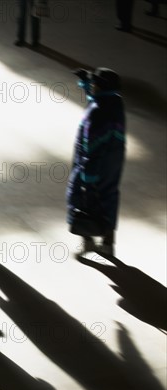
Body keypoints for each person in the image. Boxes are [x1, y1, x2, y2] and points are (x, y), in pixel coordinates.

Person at [67, 68, 126, 257]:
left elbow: (93, 146)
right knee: (109, 198)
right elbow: (98, 98)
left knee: (81, 202)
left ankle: (88, 242)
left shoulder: (97, 113)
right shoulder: (115, 101)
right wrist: (85, 82)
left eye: (94, 83)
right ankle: (108, 244)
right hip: (112, 164)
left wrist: (87, 176)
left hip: (92, 166)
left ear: (100, 86)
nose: (92, 85)